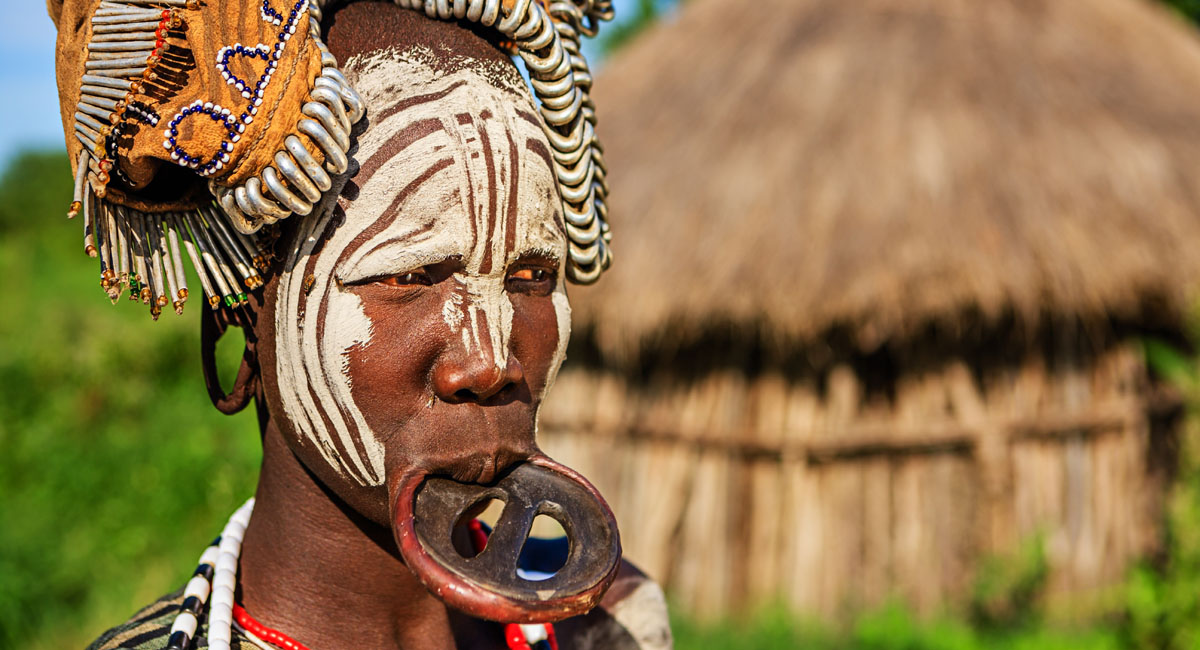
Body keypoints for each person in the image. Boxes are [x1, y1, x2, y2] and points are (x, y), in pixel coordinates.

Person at [48, 0, 670, 647]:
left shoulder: (616, 624)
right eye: (407, 276)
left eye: (531, 276)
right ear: (238, 327)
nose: (490, 364)